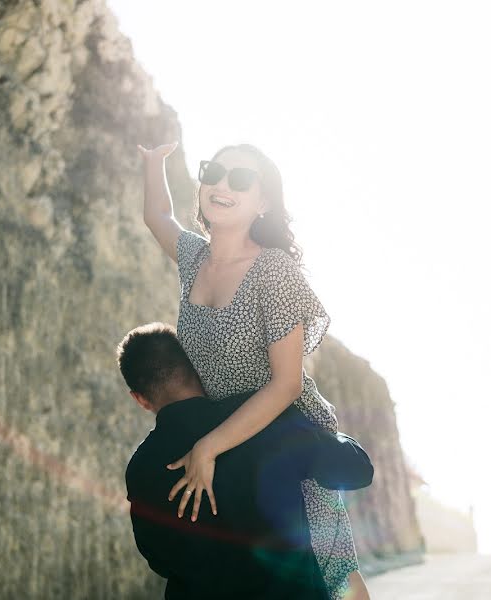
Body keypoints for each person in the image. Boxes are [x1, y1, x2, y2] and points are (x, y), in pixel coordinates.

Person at [137, 140, 370, 599]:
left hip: (285, 436)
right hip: (231, 436)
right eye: (215, 172)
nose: (222, 185)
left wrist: (207, 448)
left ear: (262, 202)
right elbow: (157, 217)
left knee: (331, 571)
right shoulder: (194, 260)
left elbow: (288, 384)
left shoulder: (274, 271)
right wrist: (153, 164)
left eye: (240, 180)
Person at [118, 322, 374, 599]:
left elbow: (159, 560)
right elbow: (357, 470)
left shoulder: (140, 469)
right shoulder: (263, 420)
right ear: (196, 365)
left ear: (139, 398)